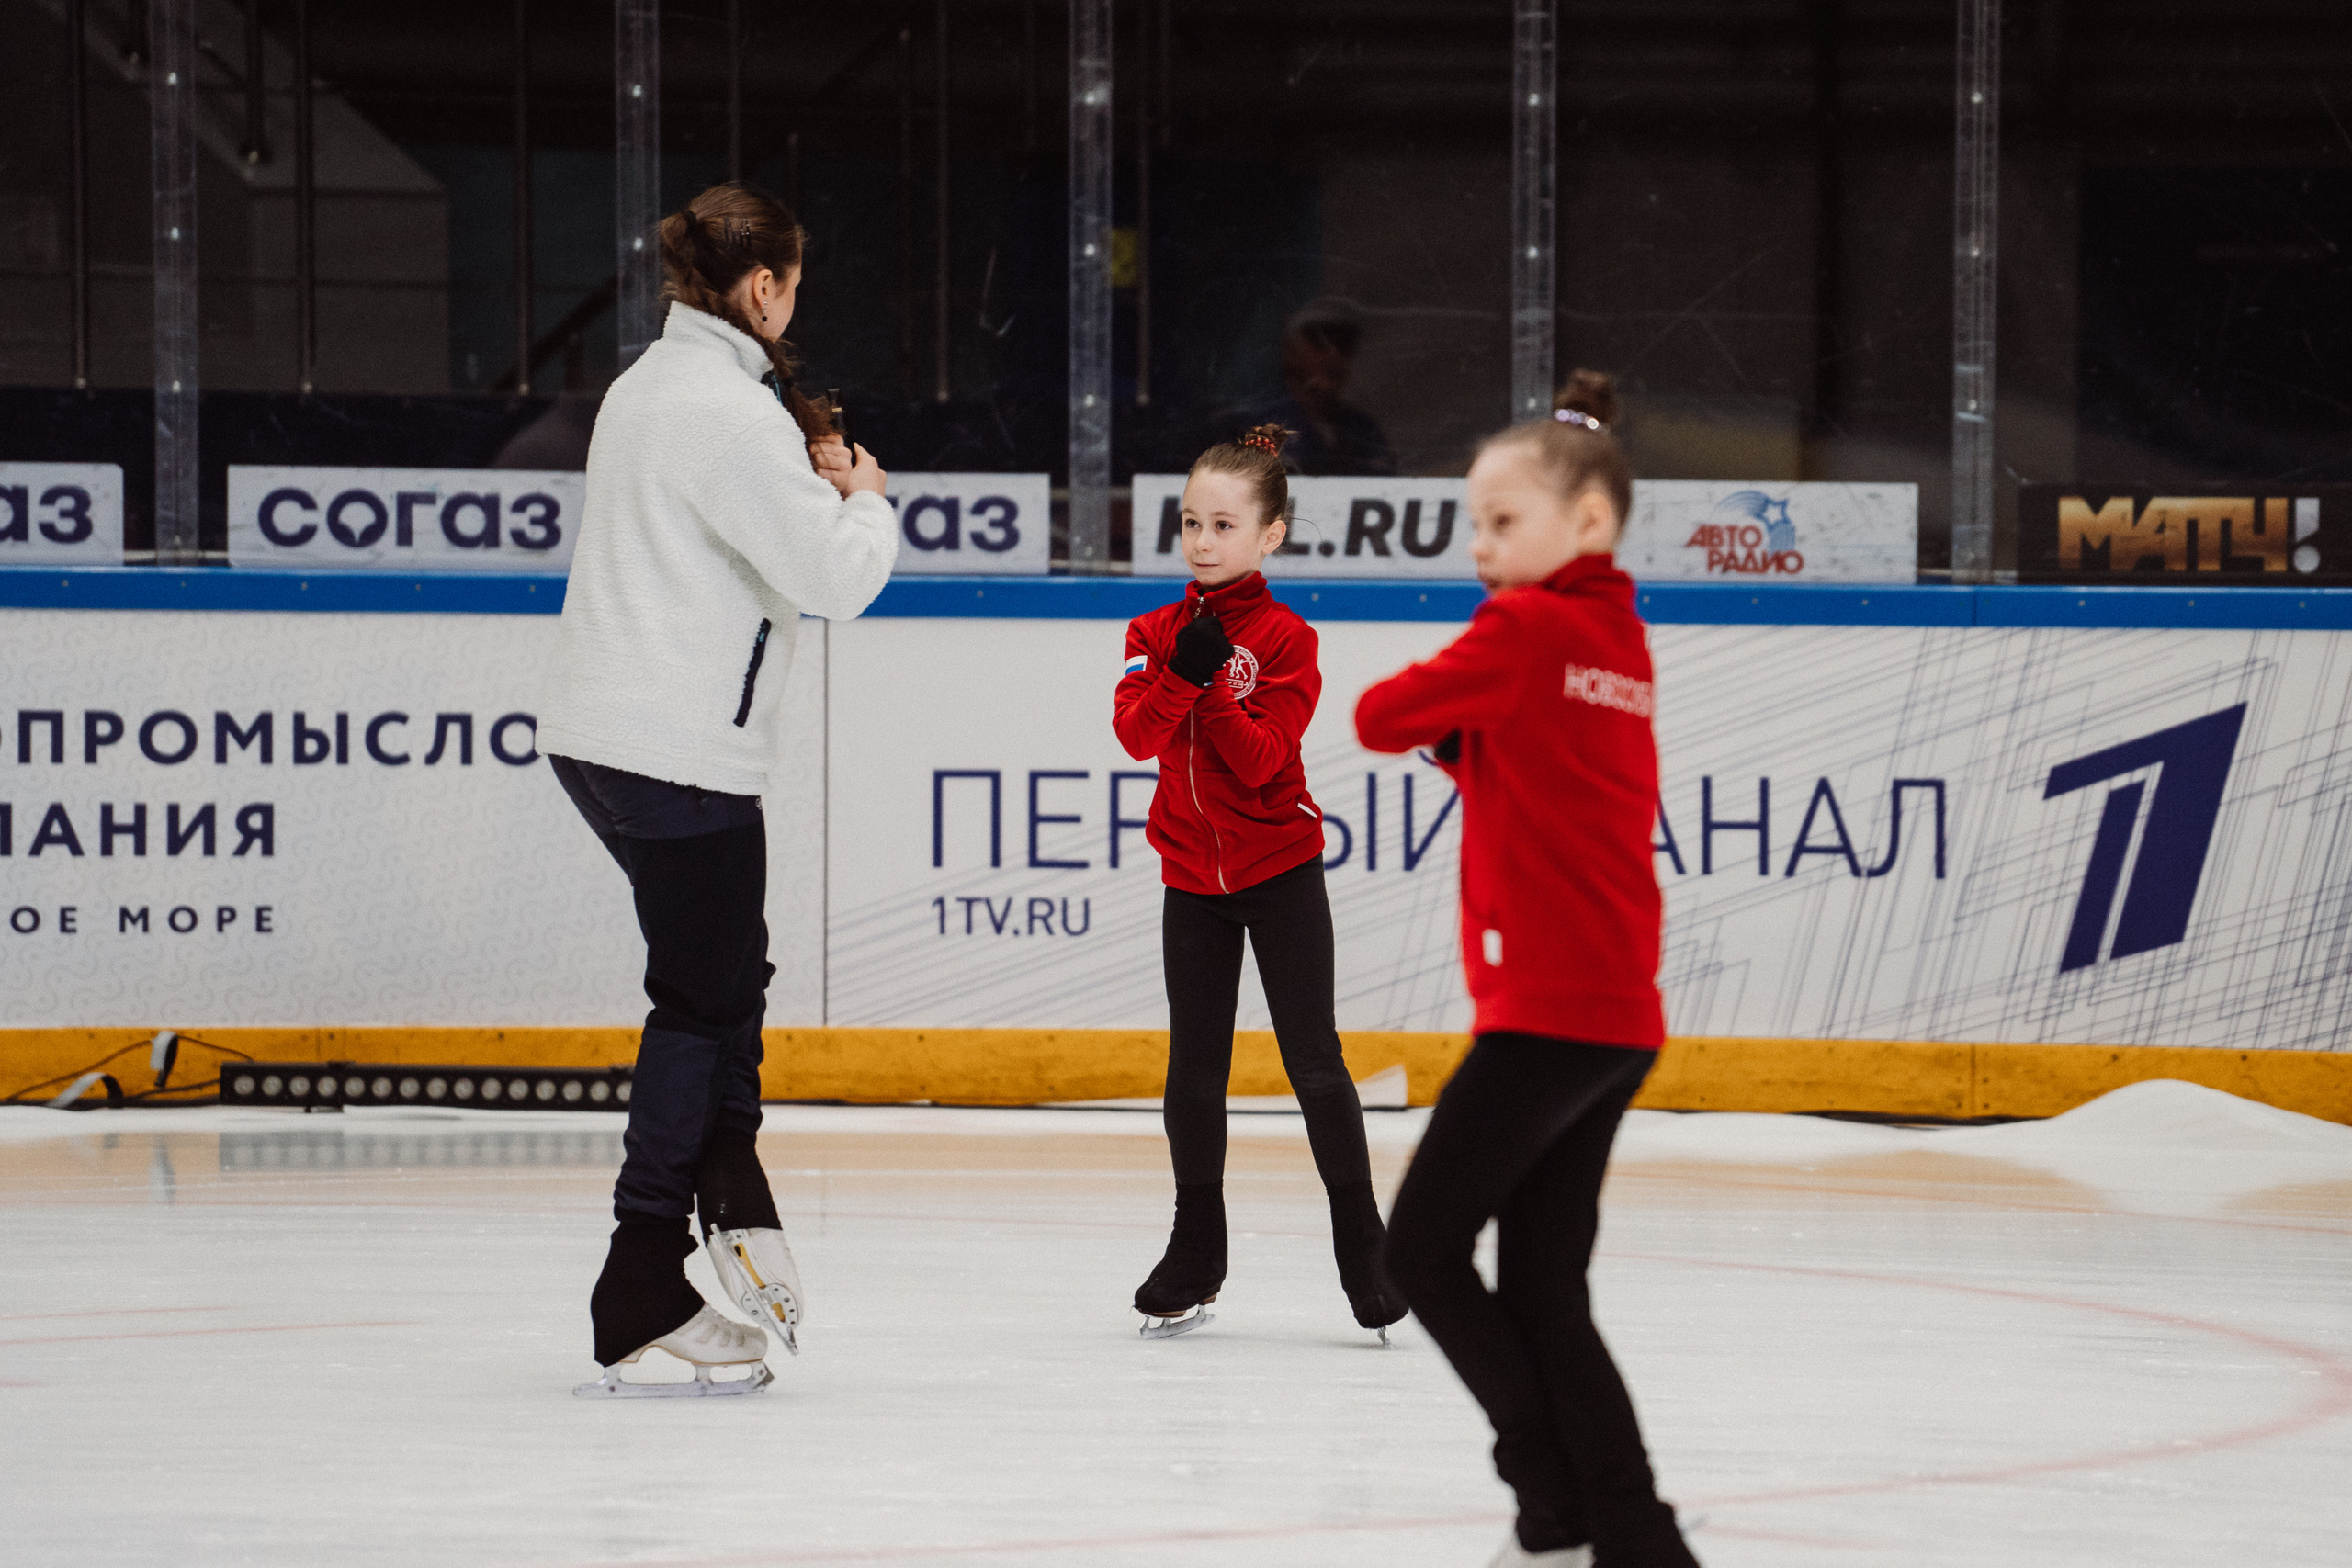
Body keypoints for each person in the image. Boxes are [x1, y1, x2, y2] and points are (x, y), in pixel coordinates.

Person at [537, 181, 899, 1396]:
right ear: (763, 287)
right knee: (701, 996)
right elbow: (835, 579)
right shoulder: (729, 416)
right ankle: (641, 1273)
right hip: (676, 747)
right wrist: (864, 503)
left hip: (609, 734)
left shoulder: (653, 388)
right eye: (793, 283)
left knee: (726, 971)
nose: (797, 300)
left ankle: (729, 1169)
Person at [1356, 373, 1702, 1566]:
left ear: (1589, 524)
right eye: (1476, 521)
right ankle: (1619, 1528)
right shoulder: (1617, 636)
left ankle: (1551, 1483)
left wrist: (1452, 719)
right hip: (1618, 1015)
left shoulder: (1528, 629)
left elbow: (1379, 713)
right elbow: (1546, 776)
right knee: (1546, 1289)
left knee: (1420, 1252)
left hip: (1548, 1012)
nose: (1480, 546)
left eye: (1504, 522)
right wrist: (1473, 745)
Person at [1111, 423, 1407, 1343]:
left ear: (1270, 534)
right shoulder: (1152, 630)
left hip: (1279, 870)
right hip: (1189, 875)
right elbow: (1133, 735)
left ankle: (1365, 1247)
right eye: (1191, 523)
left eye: (1224, 526)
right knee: (1191, 1072)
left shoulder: (1287, 639)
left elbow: (1263, 758)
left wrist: (1212, 691)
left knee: (1312, 1062)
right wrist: (1179, 678)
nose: (1202, 542)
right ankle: (1196, 1248)